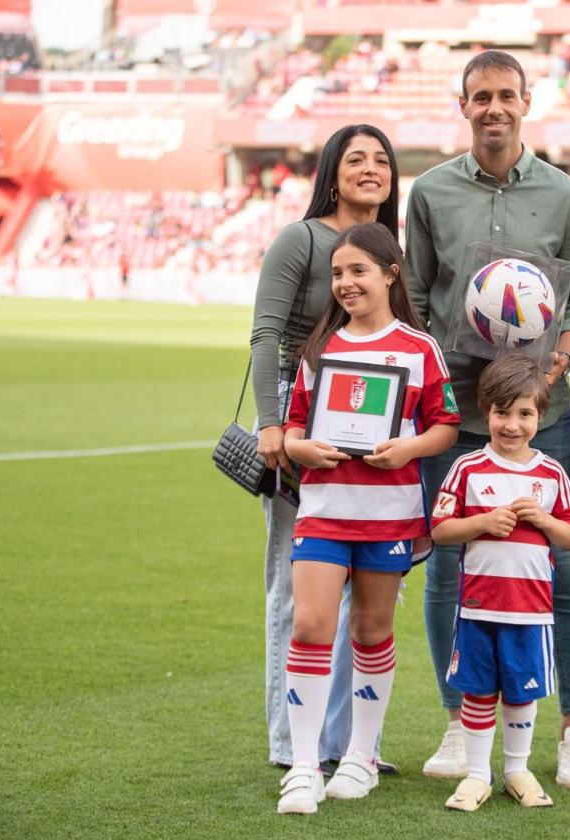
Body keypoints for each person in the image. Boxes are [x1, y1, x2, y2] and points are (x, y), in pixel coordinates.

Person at [404, 49, 570, 789]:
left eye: (505, 96)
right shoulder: (429, 192)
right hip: (453, 415)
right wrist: (435, 355)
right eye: (480, 96)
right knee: (449, 564)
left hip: (541, 413)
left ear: (527, 102)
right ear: (463, 105)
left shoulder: (563, 195)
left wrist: (559, 359)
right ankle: (460, 723)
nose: (493, 108)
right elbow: (417, 293)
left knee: (567, 563)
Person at [276, 223, 460, 814]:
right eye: (336, 274)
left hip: (388, 514)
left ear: (389, 273)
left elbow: (444, 425)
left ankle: (360, 757)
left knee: (372, 631)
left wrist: (408, 449)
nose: (345, 284)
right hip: (325, 511)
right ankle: (304, 765)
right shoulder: (320, 348)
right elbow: (295, 425)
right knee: (309, 624)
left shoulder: (418, 347)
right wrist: (300, 449)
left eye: (357, 271)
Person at [251, 125, 401, 781]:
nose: (370, 169)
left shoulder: (394, 249)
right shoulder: (302, 239)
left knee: (362, 596)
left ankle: (346, 742)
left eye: (381, 160)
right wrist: (270, 424)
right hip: (302, 427)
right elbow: (265, 334)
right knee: (295, 585)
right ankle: (293, 743)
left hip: (373, 435)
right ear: (331, 174)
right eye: (355, 159)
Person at [432, 355, 570, 813]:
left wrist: (545, 520)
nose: (512, 425)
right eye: (501, 412)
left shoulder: (551, 475)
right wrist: (481, 522)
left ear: (541, 415)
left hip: (530, 610)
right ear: (485, 412)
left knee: (522, 691)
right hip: (478, 607)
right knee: (478, 690)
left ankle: (517, 769)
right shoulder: (467, 469)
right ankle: (478, 775)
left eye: (524, 414)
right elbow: (439, 529)